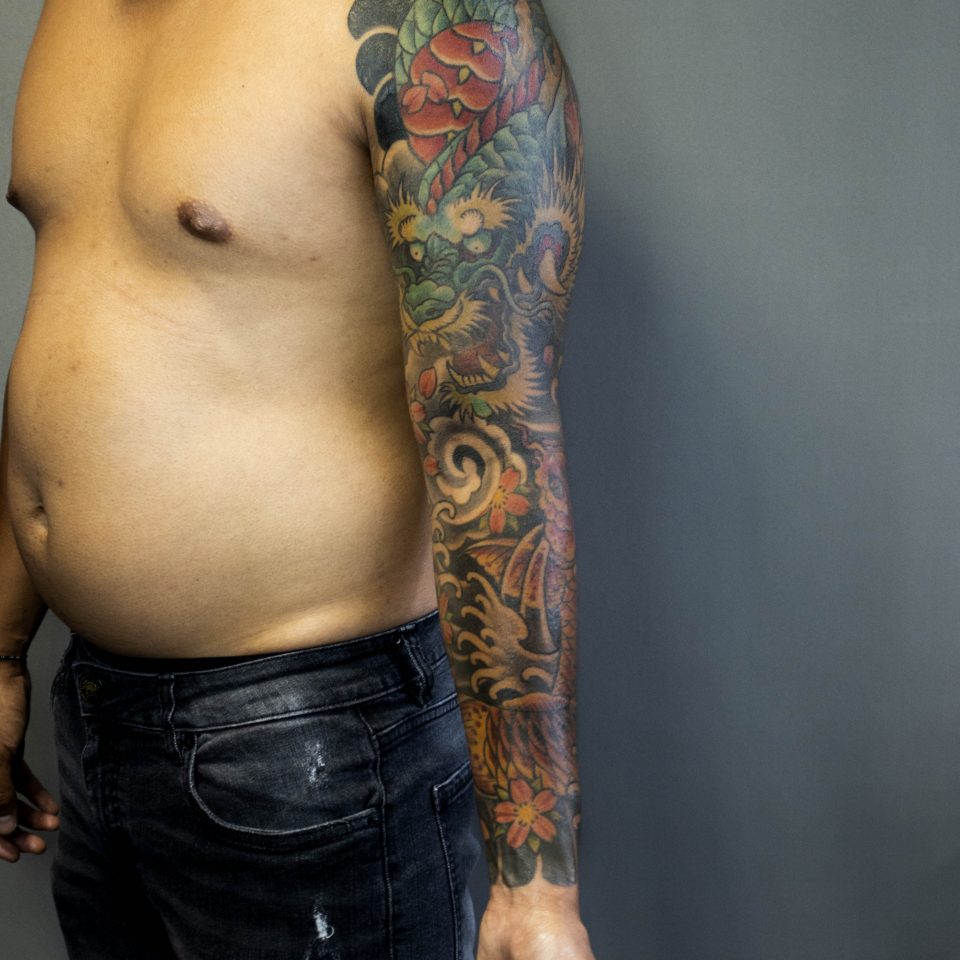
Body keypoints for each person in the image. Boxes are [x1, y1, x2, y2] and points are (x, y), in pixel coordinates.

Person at [0, 0, 591, 956]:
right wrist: (2, 647)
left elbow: (493, 438)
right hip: (97, 709)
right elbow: (73, 336)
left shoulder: (435, 20)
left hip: (319, 743)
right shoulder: (75, 12)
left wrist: (537, 890)